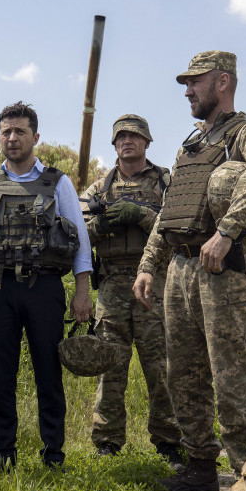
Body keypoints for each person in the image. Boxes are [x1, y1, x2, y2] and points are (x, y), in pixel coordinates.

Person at [132, 51, 246, 491]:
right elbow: (170, 210)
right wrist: (147, 264)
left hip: (224, 268)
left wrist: (226, 231)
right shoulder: (191, 144)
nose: (187, 92)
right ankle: (200, 468)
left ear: (222, 82)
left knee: (232, 375)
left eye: (194, 82)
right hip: (180, 269)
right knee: (184, 373)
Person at [0, 101, 92, 472]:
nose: (12, 138)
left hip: (44, 288)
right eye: (6, 131)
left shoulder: (57, 182)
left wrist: (82, 293)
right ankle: (3, 454)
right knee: (1, 374)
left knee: (49, 372)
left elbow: (80, 240)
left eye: (19, 131)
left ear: (35, 136)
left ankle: (53, 455)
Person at [79, 115, 181, 463]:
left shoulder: (166, 181)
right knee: (111, 364)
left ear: (147, 142)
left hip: (155, 280)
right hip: (112, 283)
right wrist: (103, 223)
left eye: (134, 136)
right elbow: (76, 234)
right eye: (121, 137)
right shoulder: (98, 189)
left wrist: (140, 214)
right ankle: (107, 441)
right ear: (114, 144)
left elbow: (178, 226)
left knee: (162, 366)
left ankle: (170, 441)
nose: (127, 142)